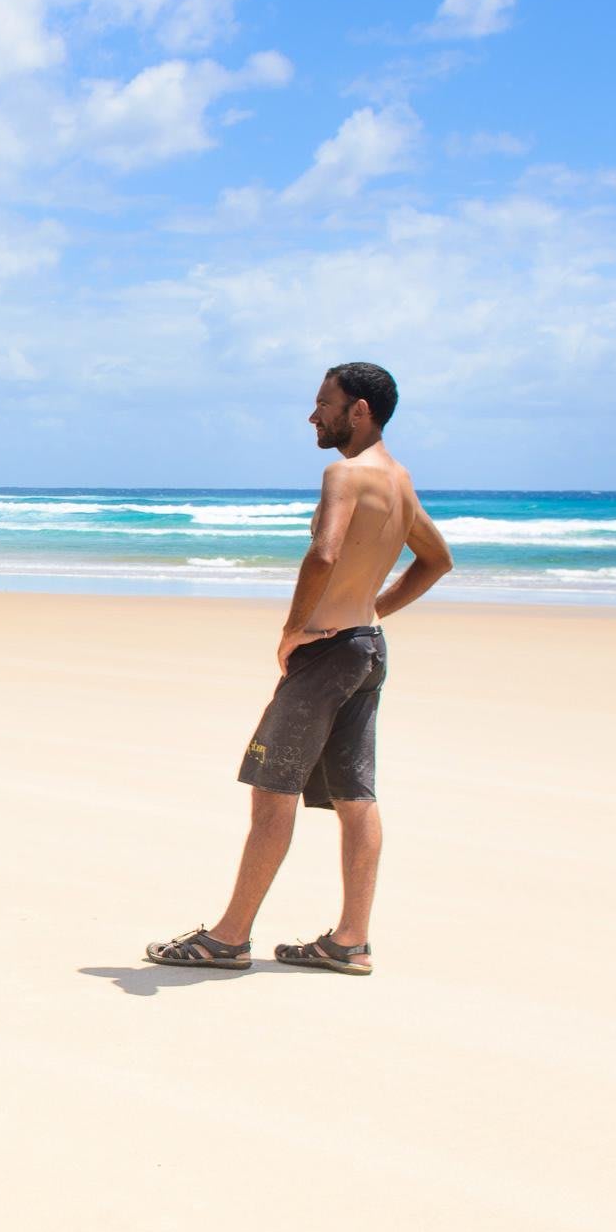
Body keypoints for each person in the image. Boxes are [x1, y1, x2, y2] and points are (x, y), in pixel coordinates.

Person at [147, 361, 452, 975]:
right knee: (355, 794)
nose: (314, 415)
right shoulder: (400, 480)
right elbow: (436, 560)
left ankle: (229, 938)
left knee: (273, 789)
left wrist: (295, 629)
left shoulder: (344, 473)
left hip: (328, 653)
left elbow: (326, 551)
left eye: (324, 403)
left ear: (358, 410)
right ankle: (351, 940)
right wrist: (372, 612)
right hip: (367, 649)